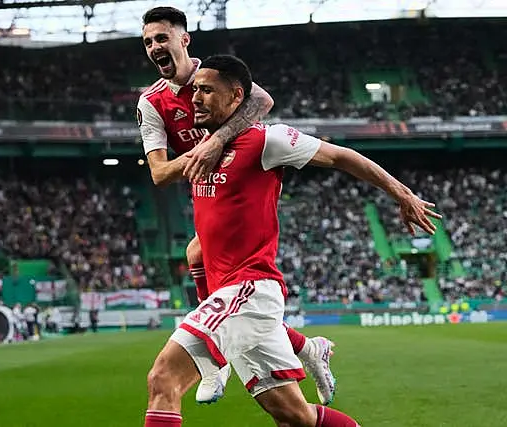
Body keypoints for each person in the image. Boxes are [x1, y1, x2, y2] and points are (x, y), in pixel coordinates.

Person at [143, 54, 442, 427]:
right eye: (195, 91)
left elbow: (341, 156)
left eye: (206, 90)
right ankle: (302, 348)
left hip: (249, 290)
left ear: (236, 97)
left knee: (163, 378)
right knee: (296, 417)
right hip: (237, 300)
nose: (196, 98)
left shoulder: (269, 139)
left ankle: (224, 359)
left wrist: (402, 194)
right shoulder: (202, 151)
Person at [138, 6, 336, 405]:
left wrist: (216, 140)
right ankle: (306, 349)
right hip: (206, 190)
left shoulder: (215, 76)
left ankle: (217, 362)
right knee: (198, 253)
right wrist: (198, 156)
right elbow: (159, 174)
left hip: (243, 178)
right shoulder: (151, 102)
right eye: (147, 42)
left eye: (162, 38)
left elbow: (262, 100)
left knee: (202, 256)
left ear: (183, 40)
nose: (155, 47)